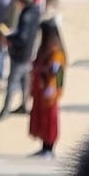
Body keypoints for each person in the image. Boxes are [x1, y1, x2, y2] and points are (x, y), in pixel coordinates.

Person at [0, 0, 41, 120]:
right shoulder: (35, 11)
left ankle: (5, 111)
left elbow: (22, 37)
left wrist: (8, 38)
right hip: (29, 52)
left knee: (13, 82)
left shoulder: (26, 16)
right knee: (24, 81)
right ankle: (23, 105)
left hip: (21, 54)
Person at [28, 21, 67, 158]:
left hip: (49, 92)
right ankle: (44, 146)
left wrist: (55, 88)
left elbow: (59, 74)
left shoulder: (56, 52)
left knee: (49, 120)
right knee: (41, 119)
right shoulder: (45, 49)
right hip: (41, 90)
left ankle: (49, 148)